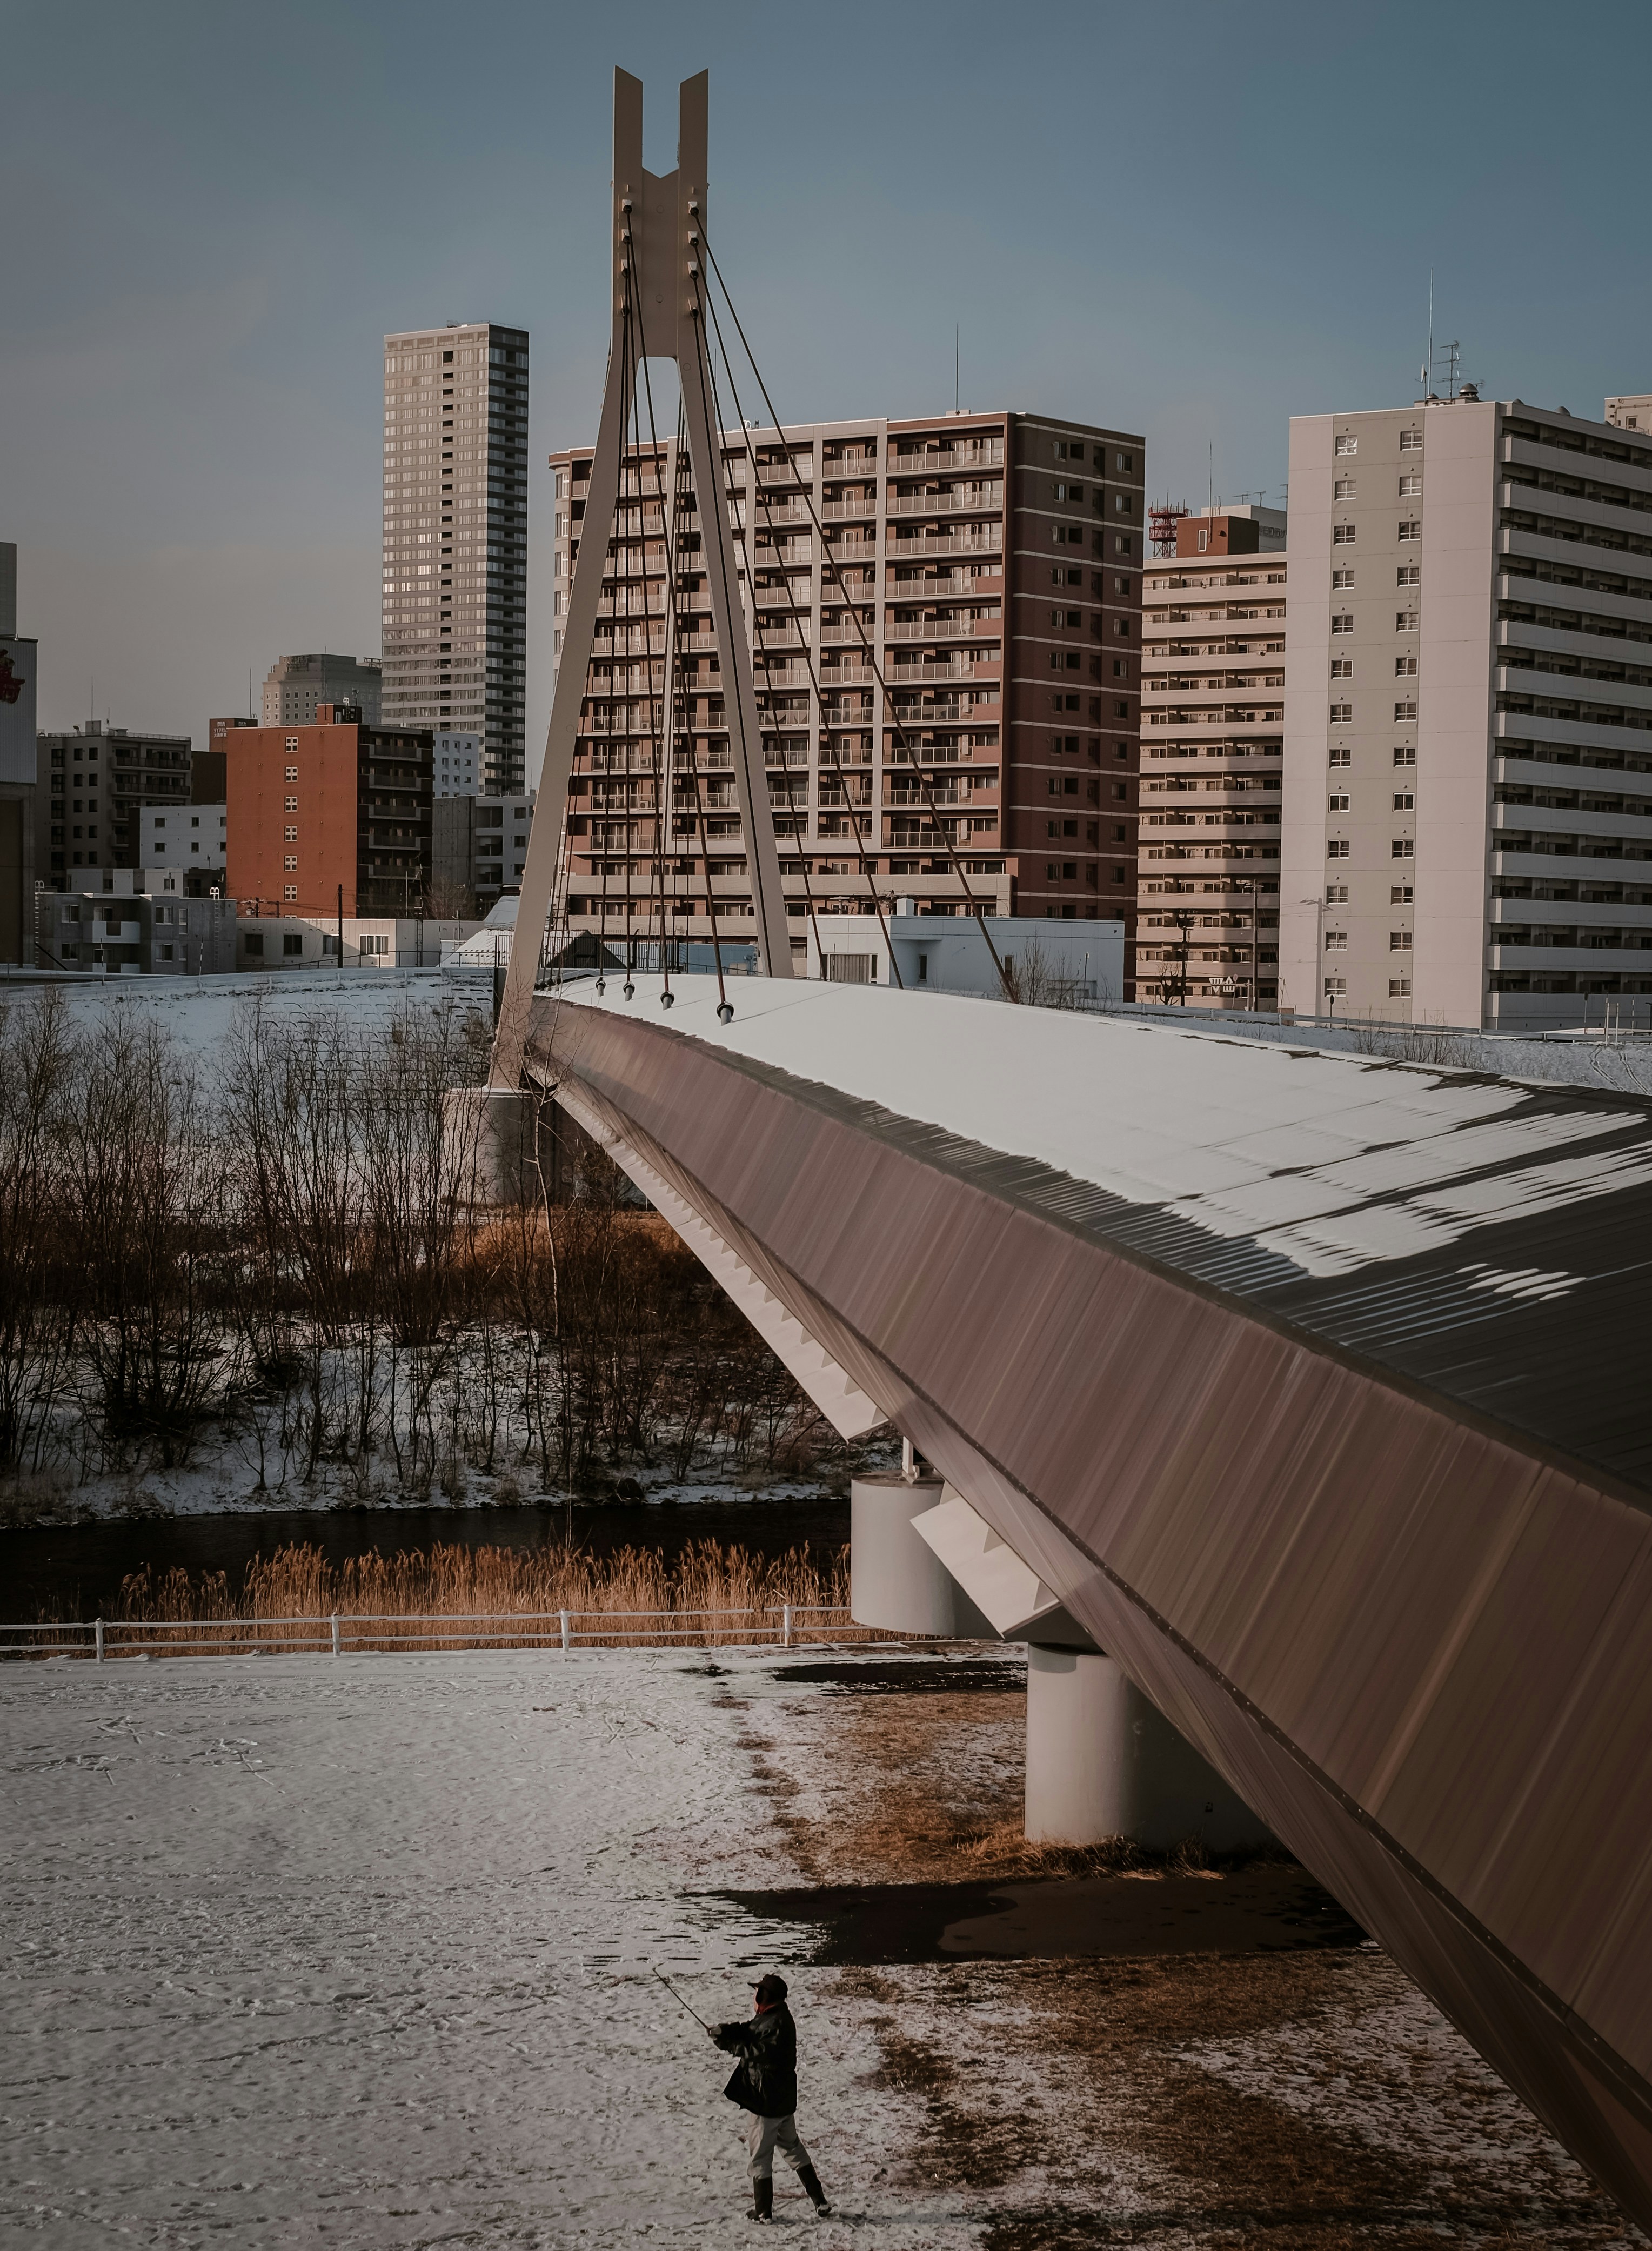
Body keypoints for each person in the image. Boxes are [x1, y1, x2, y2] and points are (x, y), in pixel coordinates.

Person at [711, 1973, 831, 2223]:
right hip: (782, 2102)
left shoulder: (778, 2023)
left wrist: (728, 2046)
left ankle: (763, 2212)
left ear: (764, 1996)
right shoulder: (774, 2017)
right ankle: (820, 2201)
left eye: (757, 1992)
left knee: (760, 2158)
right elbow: (750, 2030)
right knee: (793, 2149)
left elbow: (757, 2051)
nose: (754, 1996)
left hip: (766, 2104)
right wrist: (725, 2030)